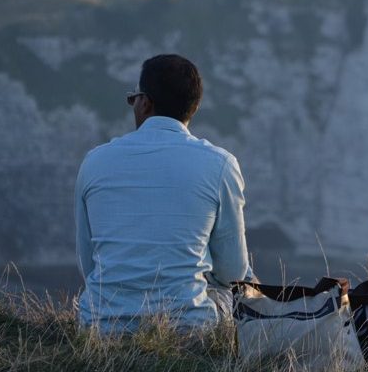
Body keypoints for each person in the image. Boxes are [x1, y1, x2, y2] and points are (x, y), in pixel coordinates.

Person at [74, 54, 252, 333]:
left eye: (133, 99)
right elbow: (232, 273)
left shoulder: (94, 162)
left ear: (145, 102)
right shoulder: (221, 165)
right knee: (246, 278)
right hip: (189, 329)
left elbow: (88, 263)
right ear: (194, 107)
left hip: (100, 326)